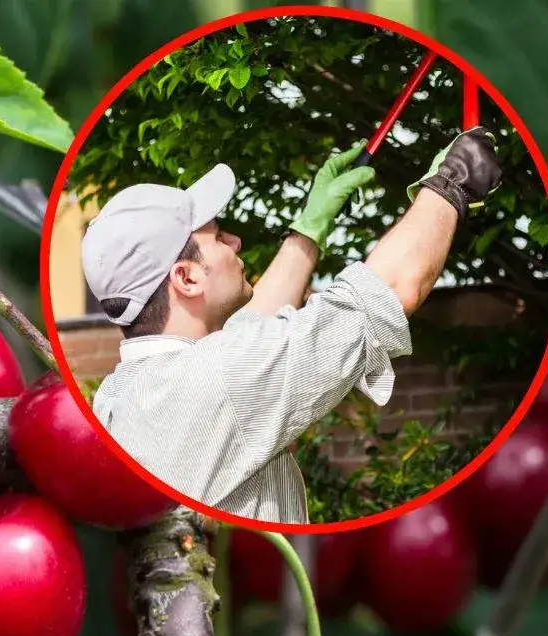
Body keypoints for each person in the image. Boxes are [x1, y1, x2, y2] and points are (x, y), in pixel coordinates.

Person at [82, 127, 503, 524]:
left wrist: (309, 227)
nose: (235, 242)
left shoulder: (120, 396)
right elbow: (387, 291)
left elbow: (250, 336)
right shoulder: (221, 377)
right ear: (187, 278)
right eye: (218, 237)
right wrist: (450, 184)